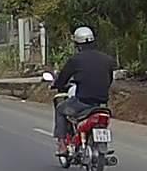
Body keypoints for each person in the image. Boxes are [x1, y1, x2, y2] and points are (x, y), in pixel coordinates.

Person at [50, 26, 117, 155]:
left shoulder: (76, 60)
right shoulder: (107, 59)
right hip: (102, 103)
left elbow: (63, 78)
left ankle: (62, 144)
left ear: (77, 44)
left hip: (83, 102)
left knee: (60, 109)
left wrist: (57, 85)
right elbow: (109, 79)